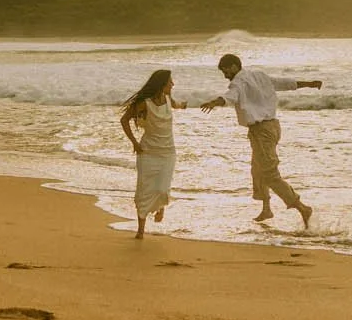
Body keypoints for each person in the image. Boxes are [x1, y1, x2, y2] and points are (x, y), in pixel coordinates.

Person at [199, 52, 320, 227]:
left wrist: (214, 102)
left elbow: (230, 96)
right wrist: (309, 84)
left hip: (262, 131)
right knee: (257, 169)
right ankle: (266, 208)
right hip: (272, 128)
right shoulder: (259, 75)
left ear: (234, 66)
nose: (225, 75)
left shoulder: (238, 82)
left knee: (270, 174)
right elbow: (284, 83)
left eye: (225, 71)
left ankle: (301, 207)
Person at [120, 68, 186, 239]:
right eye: (170, 81)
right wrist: (134, 142)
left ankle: (160, 207)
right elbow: (124, 120)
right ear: (162, 84)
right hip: (148, 151)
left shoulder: (168, 98)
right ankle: (140, 230)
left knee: (162, 188)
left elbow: (176, 105)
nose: (173, 84)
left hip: (168, 152)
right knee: (144, 190)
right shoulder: (144, 103)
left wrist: (184, 105)